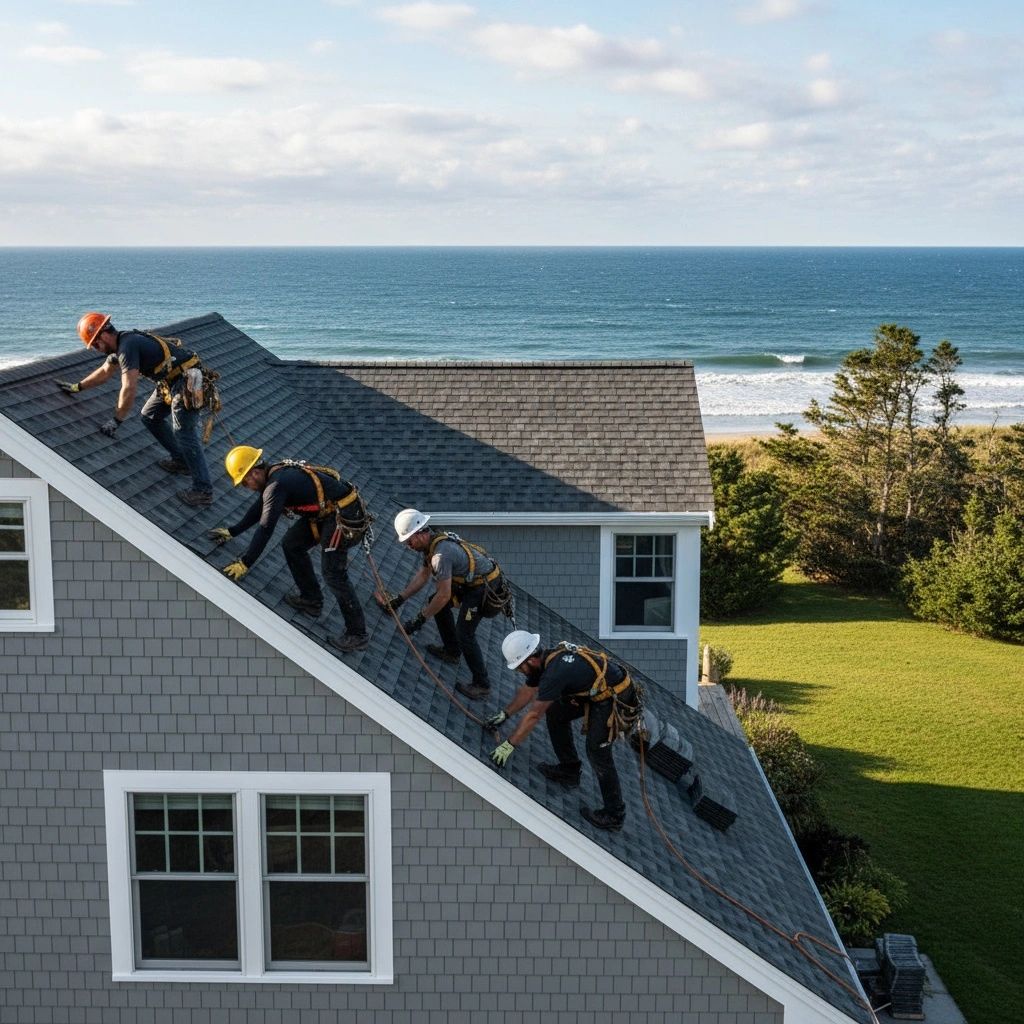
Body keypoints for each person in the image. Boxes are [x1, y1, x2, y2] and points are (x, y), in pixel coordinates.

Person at [209, 445, 370, 653]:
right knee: (292, 544)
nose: (246, 486)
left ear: (255, 472)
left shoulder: (276, 485)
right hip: (327, 514)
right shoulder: (273, 479)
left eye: (245, 481)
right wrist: (233, 531)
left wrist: (245, 562)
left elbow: (265, 528)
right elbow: (261, 508)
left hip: (344, 515)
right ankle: (312, 599)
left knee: (333, 573)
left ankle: (358, 634)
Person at [57, 312, 214, 507]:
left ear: (104, 335)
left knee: (184, 432)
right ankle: (181, 461)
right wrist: (77, 387)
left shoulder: (127, 347)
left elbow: (129, 387)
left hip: (187, 381)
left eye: (96, 345)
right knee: (149, 417)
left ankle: (203, 490)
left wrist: (117, 420)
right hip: (171, 381)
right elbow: (105, 372)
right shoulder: (121, 346)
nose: (96, 349)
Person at [487, 630, 639, 832]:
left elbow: (534, 715)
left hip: (614, 696)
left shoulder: (554, 673)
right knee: (557, 713)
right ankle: (569, 771)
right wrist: (504, 714)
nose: (519, 672)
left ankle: (614, 815)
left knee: (597, 751)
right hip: (596, 690)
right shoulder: (543, 662)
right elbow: (528, 691)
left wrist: (508, 745)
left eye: (519, 668)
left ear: (530, 661)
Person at [376, 509, 505, 701]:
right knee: (433, 602)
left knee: (465, 632)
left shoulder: (441, 556)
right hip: (470, 581)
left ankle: (482, 684)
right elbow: (423, 575)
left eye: (409, 541)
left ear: (420, 534)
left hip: (483, 588)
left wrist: (419, 620)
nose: (408, 546)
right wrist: (399, 599)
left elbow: (443, 596)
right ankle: (452, 651)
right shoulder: (433, 544)